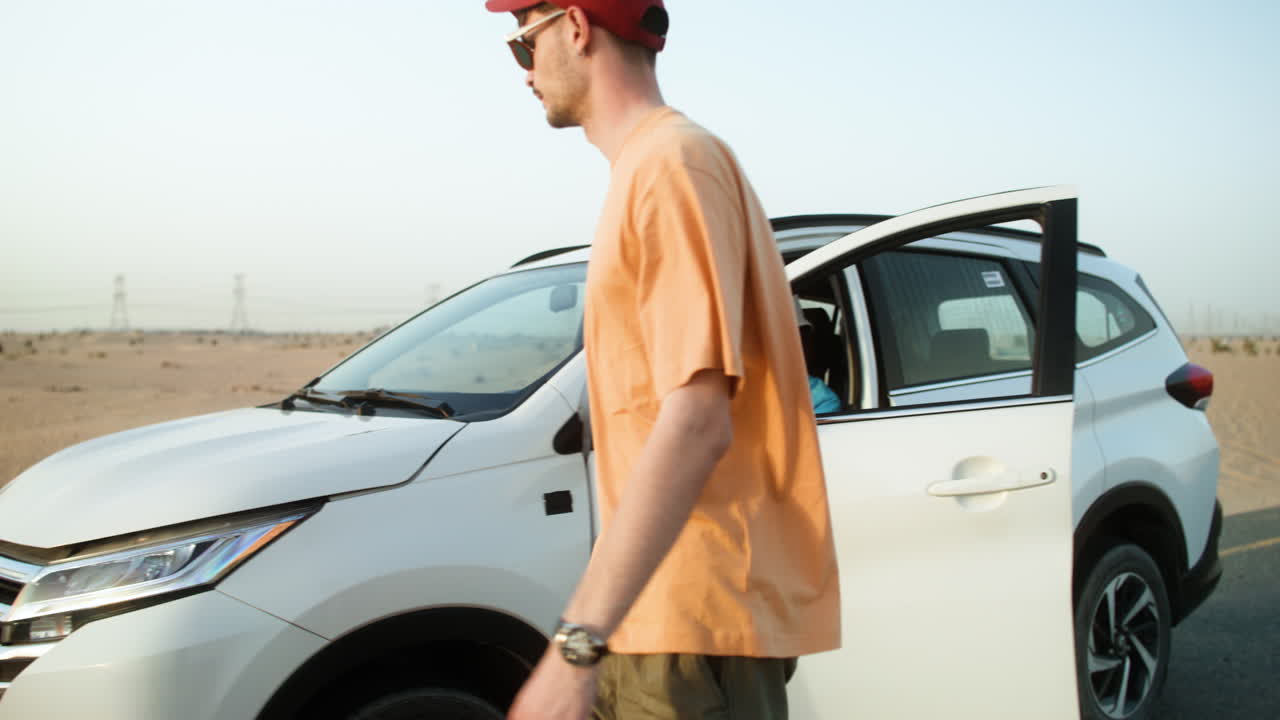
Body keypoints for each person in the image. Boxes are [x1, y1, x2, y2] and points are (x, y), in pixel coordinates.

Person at [485, 2, 841, 718]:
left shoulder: (671, 164)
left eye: (523, 44)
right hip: (667, 617)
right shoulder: (657, 167)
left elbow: (696, 420)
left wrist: (574, 647)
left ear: (577, 29)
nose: (523, 73)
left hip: (690, 623)